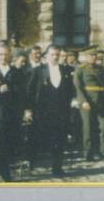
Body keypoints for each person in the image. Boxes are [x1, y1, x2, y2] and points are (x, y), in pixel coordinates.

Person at [25, 45, 74, 176]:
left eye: (57, 54)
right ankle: (31, 163)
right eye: (52, 54)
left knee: (59, 139)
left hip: (61, 111)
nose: (55, 57)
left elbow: (70, 90)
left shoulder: (66, 70)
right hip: (42, 111)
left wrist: (72, 102)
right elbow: (30, 91)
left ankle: (57, 168)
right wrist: (28, 109)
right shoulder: (38, 70)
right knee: (36, 138)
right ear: (46, 56)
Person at [0, 45, 27, 181]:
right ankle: (4, 172)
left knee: (10, 143)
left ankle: (4, 166)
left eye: (6, 54)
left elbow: (22, 93)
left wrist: (24, 110)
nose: (3, 57)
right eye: (0, 54)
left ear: (10, 56)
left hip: (13, 113)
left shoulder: (16, 72)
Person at [74, 46, 104, 161]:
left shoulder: (102, 70)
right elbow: (78, 87)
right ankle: (88, 153)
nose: (94, 57)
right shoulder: (80, 69)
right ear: (86, 57)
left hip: (101, 101)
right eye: (91, 55)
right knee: (88, 128)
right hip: (88, 101)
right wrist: (83, 101)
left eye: (95, 55)